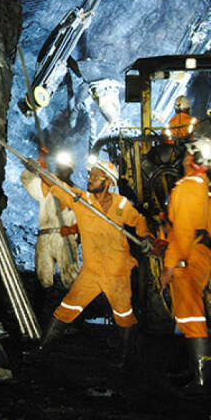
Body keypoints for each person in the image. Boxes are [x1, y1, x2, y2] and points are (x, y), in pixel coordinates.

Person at [29, 157, 151, 367]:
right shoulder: (81, 200)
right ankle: (41, 350)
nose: (90, 179)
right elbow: (58, 186)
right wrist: (39, 170)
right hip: (92, 272)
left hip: (117, 272)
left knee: (124, 315)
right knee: (66, 309)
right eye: (90, 175)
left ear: (108, 182)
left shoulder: (122, 205)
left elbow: (138, 220)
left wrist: (145, 235)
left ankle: (124, 360)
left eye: (96, 176)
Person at [158, 136, 211, 394]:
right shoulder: (206, 187)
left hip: (186, 257)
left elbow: (182, 233)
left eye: (187, 155)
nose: (183, 158)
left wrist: (170, 265)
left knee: (192, 315)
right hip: (200, 253)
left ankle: (202, 381)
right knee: (189, 313)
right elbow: (210, 228)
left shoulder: (184, 189)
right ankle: (193, 370)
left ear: (194, 160)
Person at [20, 151, 80, 292]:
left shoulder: (77, 194)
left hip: (67, 237)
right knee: (43, 277)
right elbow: (28, 182)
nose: (60, 169)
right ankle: (37, 312)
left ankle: (72, 310)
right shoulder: (47, 185)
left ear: (70, 170)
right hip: (46, 235)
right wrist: (30, 170)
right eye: (59, 166)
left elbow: (83, 220)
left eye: (64, 167)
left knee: (71, 278)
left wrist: (78, 237)